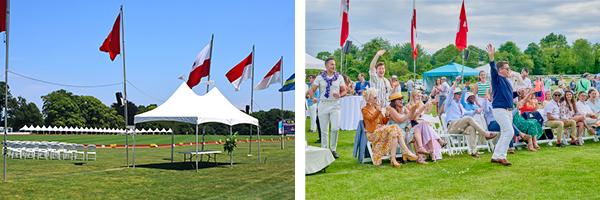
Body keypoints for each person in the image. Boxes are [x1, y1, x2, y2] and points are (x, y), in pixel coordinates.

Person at [361, 88, 417, 167]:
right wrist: (378, 111)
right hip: (372, 133)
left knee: (394, 134)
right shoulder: (364, 109)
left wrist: (387, 116)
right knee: (395, 127)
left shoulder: (376, 108)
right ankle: (405, 150)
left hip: (381, 130)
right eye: (375, 97)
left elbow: (383, 122)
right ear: (369, 98)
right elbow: (371, 119)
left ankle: (393, 159)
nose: (376, 99)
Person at [444, 76, 497, 158]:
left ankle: (474, 151)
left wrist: (475, 111)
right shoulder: (449, 102)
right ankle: (485, 134)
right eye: (458, 94)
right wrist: (456, 82)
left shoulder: (460, 105)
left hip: (460, 127)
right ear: (454, 95)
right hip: (451, 126)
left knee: (471, 128)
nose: (460, 95)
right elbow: (450, 92)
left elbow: (466, 113)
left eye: (460, 94)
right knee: (468, 119)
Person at [308, 58, 347, 158]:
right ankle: (324, 150)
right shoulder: (319, 77)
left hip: (335, 105)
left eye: (334, 64)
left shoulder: (339, 77)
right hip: (323, 105)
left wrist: (339, 95)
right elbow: (312, 89)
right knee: (324, 129)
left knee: (335, 128)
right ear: (326, 66)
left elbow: (344, 91)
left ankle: (333, 149)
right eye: (331, 64)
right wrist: (313, 98)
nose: (333, 66)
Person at [487, 43, 516, 166]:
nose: (509, 70)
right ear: (500, 70)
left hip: (508, 109)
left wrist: (517, 94)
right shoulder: (497, 78)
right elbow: (493, 69)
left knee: (505, 132)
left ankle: (495, 156)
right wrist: (491, 57)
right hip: (500, 109)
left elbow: (509, 96)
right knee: (509, 132)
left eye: (509, 68)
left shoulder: (507, 81)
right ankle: (502, 156)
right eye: (507, 68)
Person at [406, 90, 445, 163]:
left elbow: (427, 111)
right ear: (413, 96)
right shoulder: (409, 105)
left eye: (420, 95)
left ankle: (433, 154)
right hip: (413, 127)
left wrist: (429, 103)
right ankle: (438, 141)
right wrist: (423, 108)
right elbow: (413, 118)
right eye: (417, 95)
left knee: (426, 126)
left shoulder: (421, 104)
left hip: (422, 127)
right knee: (425, 125)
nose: (419, 97)